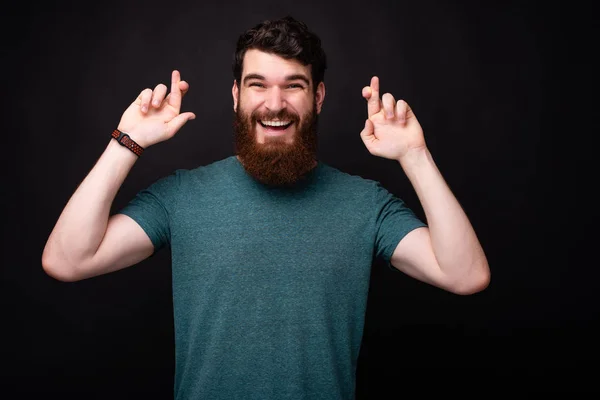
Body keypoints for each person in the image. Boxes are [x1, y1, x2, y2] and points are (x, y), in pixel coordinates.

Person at [42, 15, 490, 400]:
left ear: (318, 97)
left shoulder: (365, 204)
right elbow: (68, 259)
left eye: (293, 86)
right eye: (258, 85)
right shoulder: (182, 197)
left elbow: (465, 274)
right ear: (236, 96)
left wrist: (415, 155)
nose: (274, 105)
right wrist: (128, 142)